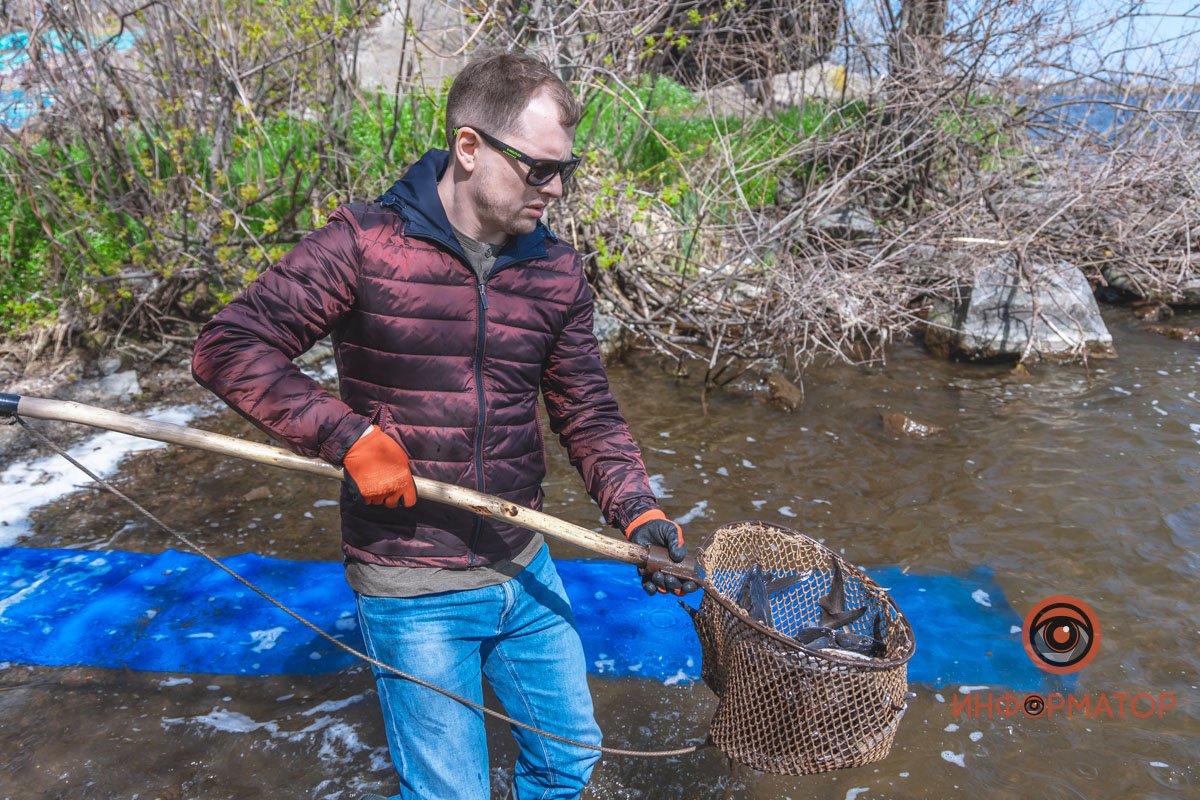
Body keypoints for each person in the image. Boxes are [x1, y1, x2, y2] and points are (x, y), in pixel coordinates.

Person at [191, 51, 697, 800]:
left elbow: (587, 410)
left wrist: (638, 508)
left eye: (567, 168)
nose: (554, 188)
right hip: (408, 578)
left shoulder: (555, 273)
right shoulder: (365, 244)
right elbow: (228, 347)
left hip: (522, 557)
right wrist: (349, 438)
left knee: (568, 758)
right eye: (537, 168)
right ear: (469, 148)